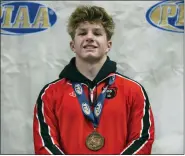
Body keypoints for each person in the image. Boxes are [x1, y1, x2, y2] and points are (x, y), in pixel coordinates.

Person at [33, 5, 155, 155]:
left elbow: (143, 139)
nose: (89, 37)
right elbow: (44, 144)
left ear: (108, 45)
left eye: (97, 33)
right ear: (73, 45)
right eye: (82, 33)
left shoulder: (133, 91)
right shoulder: (50, 94)